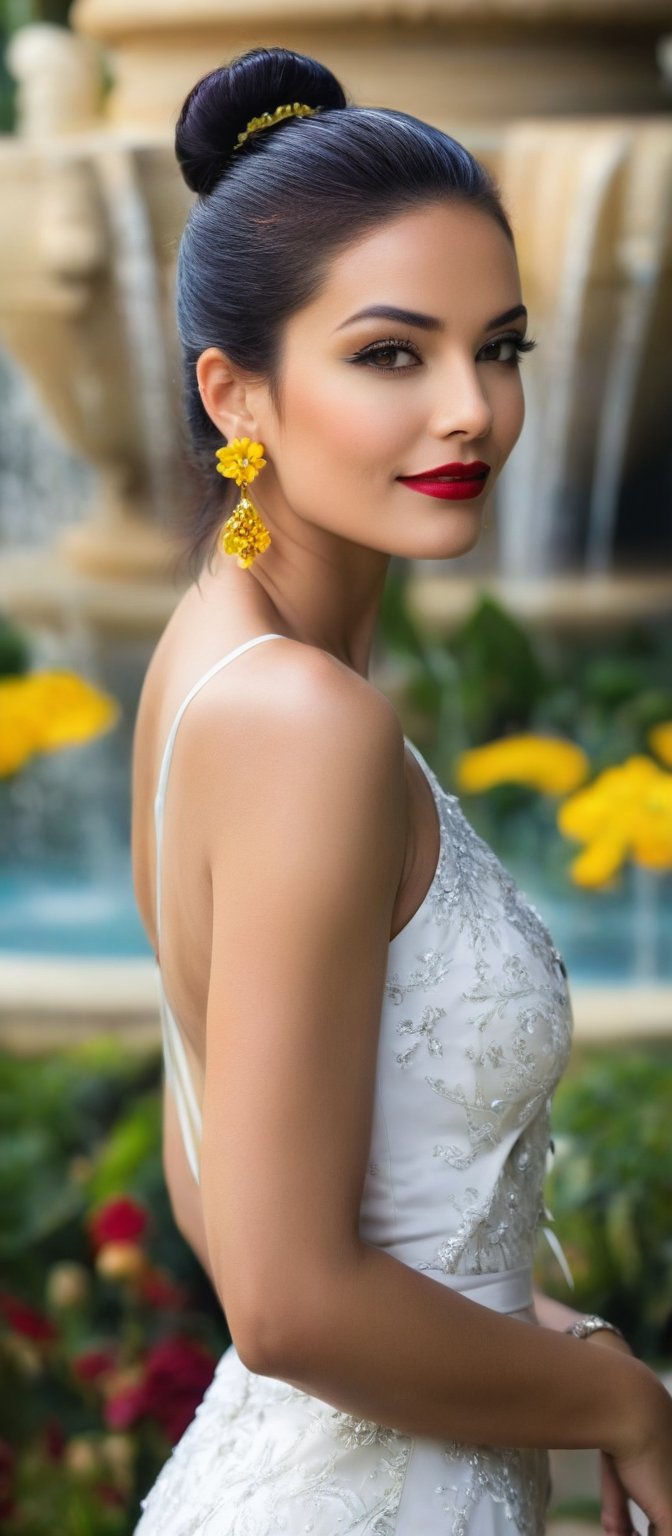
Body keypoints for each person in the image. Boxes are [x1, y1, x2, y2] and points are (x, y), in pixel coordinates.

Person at [130, 44, 672, 1536]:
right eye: (390, 354)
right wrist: (623, 1406)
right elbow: (290, 1305)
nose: (472, 413)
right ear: (236, 393)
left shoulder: (207, 663)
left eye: (499, 347)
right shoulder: (308, 725)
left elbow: (217, 1199)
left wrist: (556, 1343)